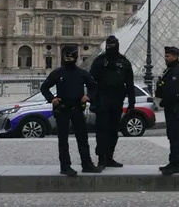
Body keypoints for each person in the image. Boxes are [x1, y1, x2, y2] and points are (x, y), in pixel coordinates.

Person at [40, 46, 101, 176]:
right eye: (66, 58)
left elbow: (93, 87)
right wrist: (52, 99)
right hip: (62, 109)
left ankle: (87, 164)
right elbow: (44, 87)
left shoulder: (82, 73)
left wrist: (88, 96)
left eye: (70, 58)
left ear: (75, 58)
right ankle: (65, 166)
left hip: (77, 108)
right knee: (63, 140)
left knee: (82, 138)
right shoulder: (57, 73)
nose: (68, 60)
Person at [89, 35, 135, 169]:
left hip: (117, 99)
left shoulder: (124, 62)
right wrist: (92, 101)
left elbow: (130, 83)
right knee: (102, 130)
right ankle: (101, 158)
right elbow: (91, 82)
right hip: (102, 98)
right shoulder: (99, 61)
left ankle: (109, 157)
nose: (110, 47)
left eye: (112, 45)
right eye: (108, 45)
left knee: (113, 130)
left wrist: (132, 103)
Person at [155, 45, 179, 175]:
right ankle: (172, 162)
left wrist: (164, 98)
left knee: (175, 135)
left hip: (174, 105)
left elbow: (172, 91)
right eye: (165, 56)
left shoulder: (178, 71)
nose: (165, 58)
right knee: (171, 134)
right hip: (170, 105)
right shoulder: (169, 70)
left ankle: (176, 164)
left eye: (168, 56)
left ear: (175, 56)